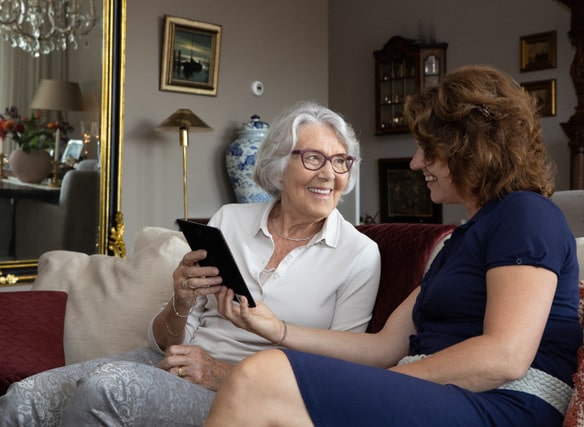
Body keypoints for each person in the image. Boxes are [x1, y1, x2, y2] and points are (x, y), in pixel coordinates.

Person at [205, 65, 583, 426]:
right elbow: (383, 348)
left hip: (504, 403)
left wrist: (393, 382)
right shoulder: (461, 240)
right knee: (272, 385)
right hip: (444, 394)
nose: (417, 163)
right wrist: (277, 329)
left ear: (468, 148)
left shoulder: (526, 214)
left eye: (427, 148)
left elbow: (505, 357)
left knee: (262, 375)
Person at [0, 101, 381, 426]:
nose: (330, 174)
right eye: (314, 158)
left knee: (106, 389)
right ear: (279, 167)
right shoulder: (230, 220)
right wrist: (180, 302)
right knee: (24, 398)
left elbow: (341, 376)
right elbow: (164, 343)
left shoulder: (358, 254)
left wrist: (223, 374)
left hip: (248, 394)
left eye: (341, 161)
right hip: (174, 363)